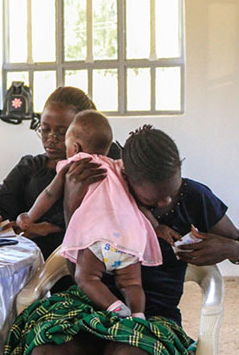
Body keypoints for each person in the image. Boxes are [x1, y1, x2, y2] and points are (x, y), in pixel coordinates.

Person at [3, 125, 239, 355]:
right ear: (127, 177)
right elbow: (76, 270)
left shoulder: (195, 197)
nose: (165, 202)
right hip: (91, 309)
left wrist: (228, 248)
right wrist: (71, 207)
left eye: (171, 190)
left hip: (150, 317)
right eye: (152, 198)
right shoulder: (100, 189)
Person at [16, 111, 161, 320]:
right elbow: (138, 203)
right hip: (130, 240)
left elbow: (49, 194)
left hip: (99, 241)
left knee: (86, 278)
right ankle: (138, 314)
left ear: (75, 147)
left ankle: (115, 307)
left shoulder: (74, 164)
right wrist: (156, 226)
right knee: (132, 284)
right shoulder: (118, 166)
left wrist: (28, 217)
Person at [0, 86, 100, 259]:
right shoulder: (30, 166)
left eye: (62, 132)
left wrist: (52, 228)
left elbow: (101, 219)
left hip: (80, 263)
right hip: (28, 261)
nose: (51, 138)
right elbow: (0, 203)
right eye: (45, 129)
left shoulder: (94, 168)